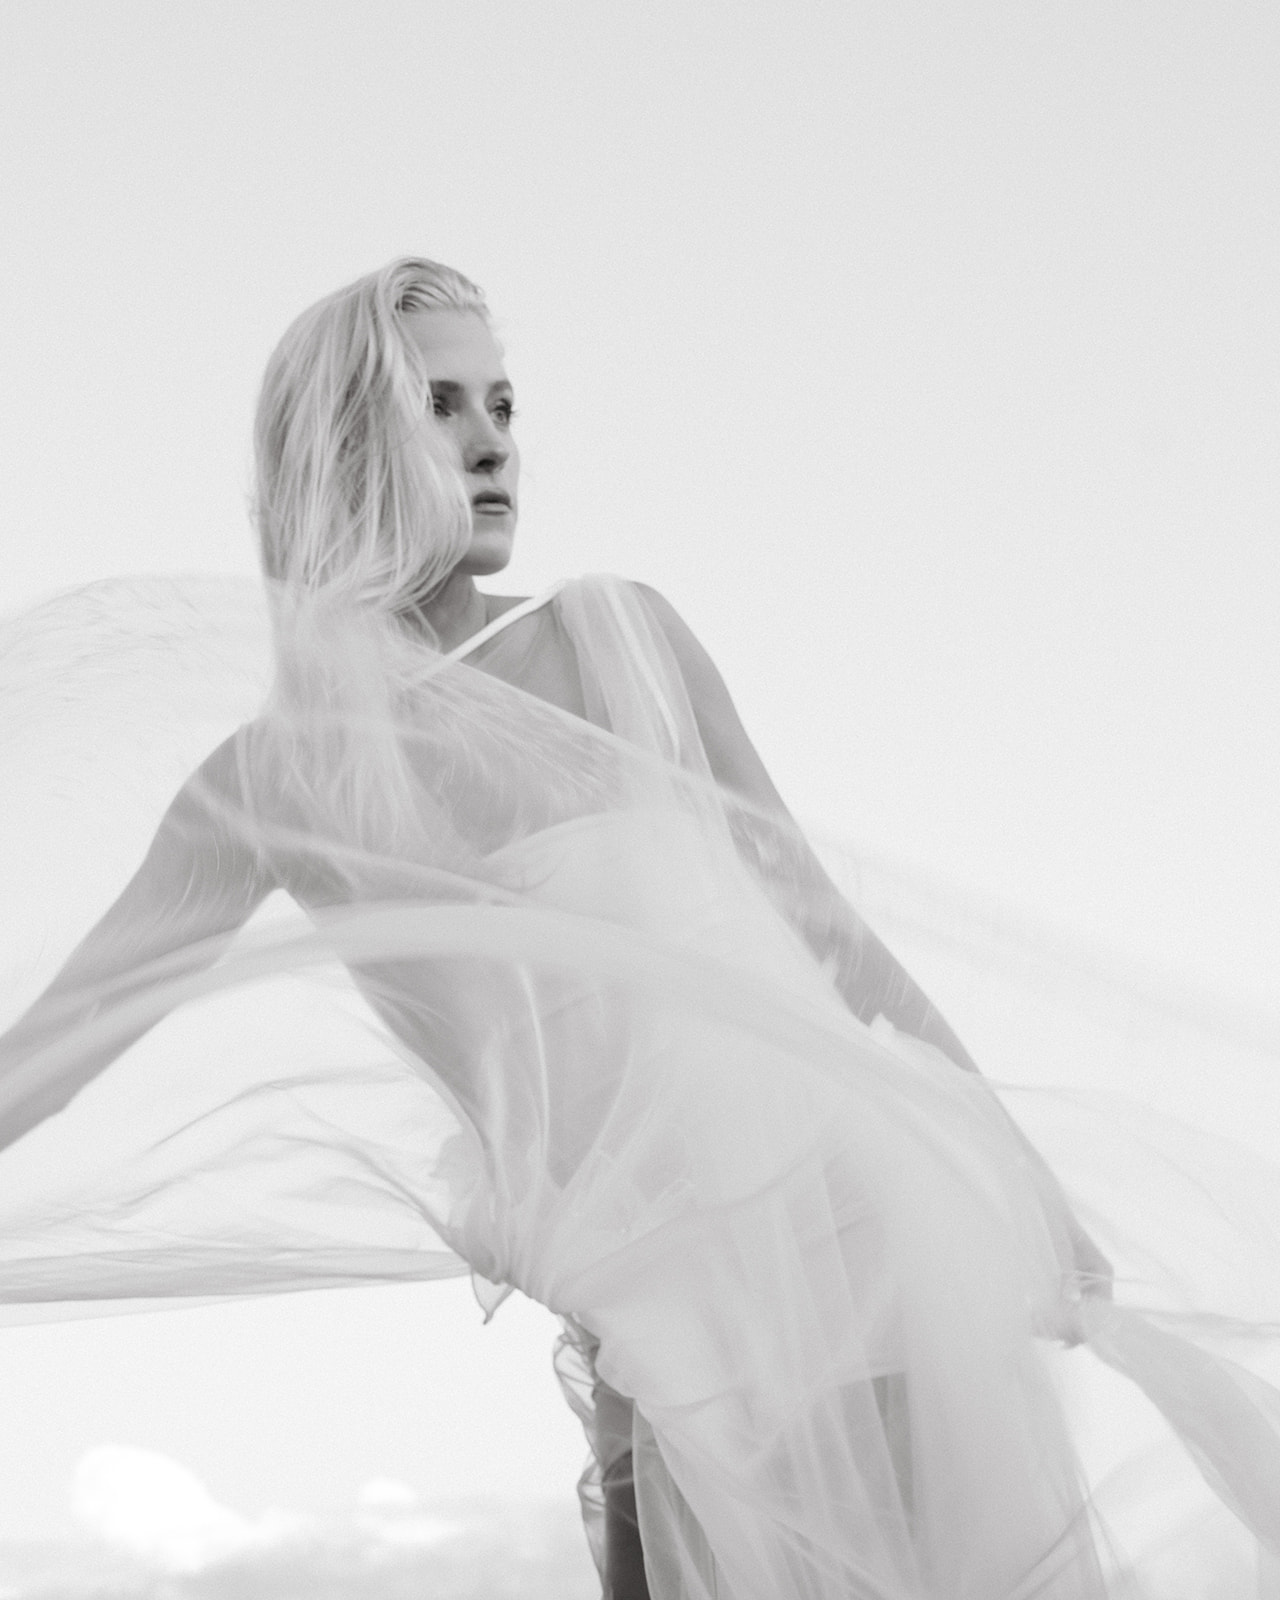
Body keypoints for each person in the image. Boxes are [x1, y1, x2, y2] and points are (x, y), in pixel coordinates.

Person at [0, 257, 1277, 1598]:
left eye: (501, 401)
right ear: (349, 446)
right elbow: (62, 1045)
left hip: (855, 1242)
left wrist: (1018, 1176)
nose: (494, 440)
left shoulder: (612, 638)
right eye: (441, 405)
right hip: (647, 1319)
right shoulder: (269, 783)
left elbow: (828, 938)